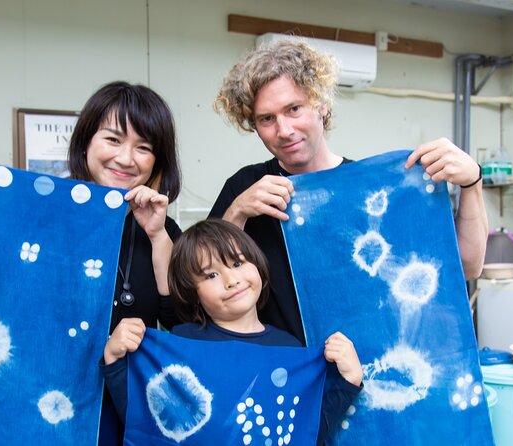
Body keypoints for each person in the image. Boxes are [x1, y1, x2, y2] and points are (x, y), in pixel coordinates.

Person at [0, 81, 182, 445]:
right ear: (86, 141)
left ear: (158, 159)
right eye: (113, 139)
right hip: (35, 412)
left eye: (144, 147)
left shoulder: (158, 226)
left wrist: (157, 236)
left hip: (122, 414)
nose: (126, 158)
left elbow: (177, 318)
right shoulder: (31, 214)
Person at [209, 40, 488, 344]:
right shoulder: (245, 189)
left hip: (365, 377)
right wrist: (237, 213)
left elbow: (469, 266)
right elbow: (201, 288)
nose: (284, 129)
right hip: (282, 377)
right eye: (267, 119)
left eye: (294, 109)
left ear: (322, 104)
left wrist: (472, 184)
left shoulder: (374, 191)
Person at [101, 219, 363, 445]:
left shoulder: (288, 348)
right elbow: (148, 421)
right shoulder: (181, 342)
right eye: (211, 275)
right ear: (193, 293)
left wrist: (349, 381)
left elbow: (301, 434)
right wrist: (113, 360)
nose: (231, 280)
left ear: (258, 264)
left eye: (237, 263)